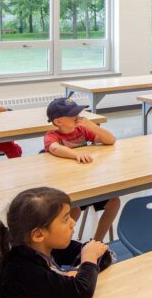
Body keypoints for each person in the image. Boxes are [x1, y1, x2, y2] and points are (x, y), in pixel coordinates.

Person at [0, 187, 113, 298]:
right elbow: (82, 291)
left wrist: (77, 272)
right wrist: (87, 263)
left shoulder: (47, 246)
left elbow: (104, 254)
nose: (73, 223)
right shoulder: (21, 270)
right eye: (66, 219)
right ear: (38, 234)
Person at [43, 97, 120, 242]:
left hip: (88, 182)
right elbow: (54, 148)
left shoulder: (82, 130)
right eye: (73, 115)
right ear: (58, 121)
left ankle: (97, 241)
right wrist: (75, 155)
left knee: (114, 202)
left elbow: (111, 140)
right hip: (68, 186)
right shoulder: (52, 135)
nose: (78, 117)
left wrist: (93, 126)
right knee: (74, 209)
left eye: (78, 113)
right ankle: (64, 245)